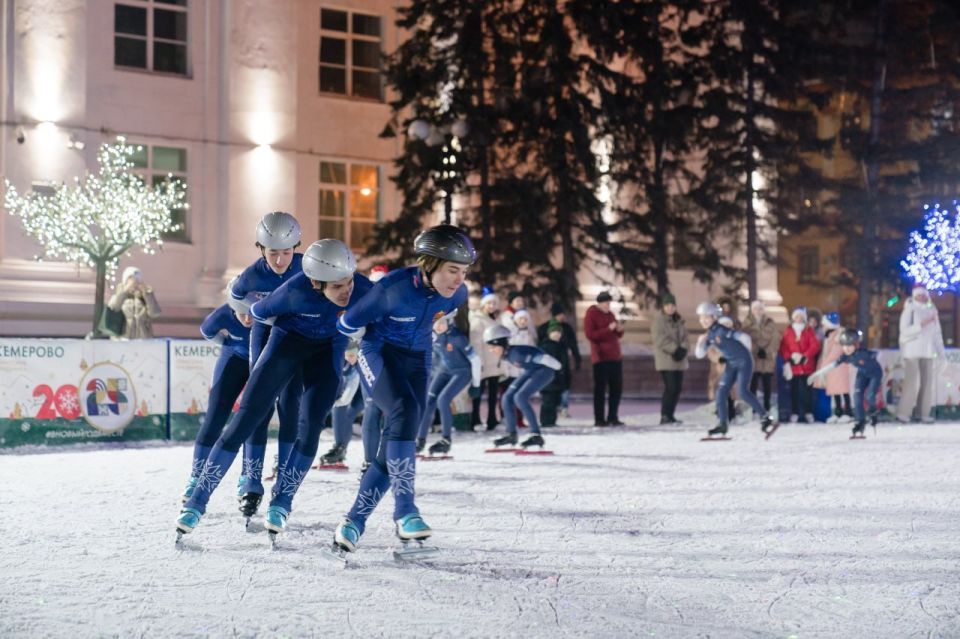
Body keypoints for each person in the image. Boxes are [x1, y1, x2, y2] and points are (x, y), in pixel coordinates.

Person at [175, 239, 371, 539]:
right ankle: (197, 501)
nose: (347, 291)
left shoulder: (362, 288)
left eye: (349, 282)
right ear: (316, 283)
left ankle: (282, 500)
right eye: (337, 286)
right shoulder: (293, 291)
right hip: (287, 343)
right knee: (247, 417)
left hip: (328, 350)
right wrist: (259, 358)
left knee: (311, 425)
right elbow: (257, 313)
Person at [331, 224, 475, 556]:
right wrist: (353, 343)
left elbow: (443, 312)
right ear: (430, 264)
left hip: (419, 359)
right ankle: (405, 511)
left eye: (464, 271)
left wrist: (431, 327)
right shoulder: (391, 289)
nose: (459, 279)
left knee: (398, 439)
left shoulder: (458, 293)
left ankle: (353, 522)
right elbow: (346, 323)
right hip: (379, 353)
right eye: (452, 270)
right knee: (404, 410)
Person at [228, 211, 304, 515]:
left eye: (287, 252)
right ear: (261, 249)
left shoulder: (308, 267)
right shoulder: (251, 275)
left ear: (296, 248)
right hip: (264, 335)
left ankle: (284, 480)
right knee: (257, 407)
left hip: (297, 338)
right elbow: (235, 295)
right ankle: (251, 480)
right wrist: (240, 310)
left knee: (291, 406)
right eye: (273, 253)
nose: (280, 260)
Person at [179, 296, 252, 502]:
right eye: (242, 314)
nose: (247, 319)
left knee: (251, 421)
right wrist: (227, 342)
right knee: (214, 418)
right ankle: (196, 477)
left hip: (260, 363)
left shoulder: (266, 310)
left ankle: (248, 477)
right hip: (233, 359)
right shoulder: (223, 313)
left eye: (251, 314)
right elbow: (206, 331)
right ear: (233, 309)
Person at [694, 302, 775, 437]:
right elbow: (699, 354)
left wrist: (745, 353)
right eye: (701, 318)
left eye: (706, 317)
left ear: (714, 317)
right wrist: (699, 342)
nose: (703, 320)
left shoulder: (722, 330)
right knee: (721, 393)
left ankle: (766, 417)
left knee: (742, 392)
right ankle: (723, 425)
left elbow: (744, 337)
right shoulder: (710, 334)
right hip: (731, 364)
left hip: (744, 362)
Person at [485, 324, 561, 448]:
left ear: (502, 344)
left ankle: (536, 435)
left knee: (520, 397)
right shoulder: (507, 354)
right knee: (506, 398)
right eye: (489, 347)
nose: (491, 350)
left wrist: (552, 363)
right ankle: (511, 434)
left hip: (544, 371)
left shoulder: (516, 354)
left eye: (493, 347)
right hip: (531, 370)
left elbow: (547, 360)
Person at [417, 313, 481, 455]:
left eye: (442, 323)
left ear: (449, 322)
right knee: (429, 401)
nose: (439, 326)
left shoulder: (458, 338)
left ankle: (446, 440)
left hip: (462, 372)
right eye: (436, 323)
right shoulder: (433, 336)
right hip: (444, 371)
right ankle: (420, 440)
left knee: (443, 400)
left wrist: (476, 384)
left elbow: (476, 361)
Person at [809, 328, 883, 437]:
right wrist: (816, 374)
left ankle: (873, 413)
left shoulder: (863, 353)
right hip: (862, 374)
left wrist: (873, 357)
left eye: (849, 346)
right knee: (857, 396)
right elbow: (832, 365)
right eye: (844, 346)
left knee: (870, 396)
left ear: (855, 345)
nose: (847, 349)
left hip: (875, 374)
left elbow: (876, 354)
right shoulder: (845, 357)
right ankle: (860, 422)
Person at [896, 284, 945, 423]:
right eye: (918, 295)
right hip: (912, 351)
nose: (921, 297)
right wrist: (921, 325)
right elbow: (904, 330)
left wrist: (941, 353)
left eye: (923, 295)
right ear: (914, 296)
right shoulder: (910, 309)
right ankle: (903, 413)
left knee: (927, 383)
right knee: (911, 383)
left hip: (928, 351)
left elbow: (937, 334)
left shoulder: (932, 310)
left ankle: (923, 413)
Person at [319, 341, 364, 467]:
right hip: (353, 388)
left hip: (365, 392)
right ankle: (339, 448)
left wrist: (338, 401)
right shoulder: (342, 361)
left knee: (348, 413)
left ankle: (340, 449)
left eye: (352, 356)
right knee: (338, 410)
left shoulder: (360, 363)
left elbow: (348, 395)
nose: (349, 359)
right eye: (347, 356)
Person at [584, 290, 625, 426]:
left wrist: (619, 330)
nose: (608, 305)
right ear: (600, 303)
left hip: (615, 357)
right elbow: (590, 335)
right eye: (606, 303)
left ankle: (613, 416)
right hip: (601, 357)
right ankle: (599, 419)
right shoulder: (591, 314)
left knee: (616, 388)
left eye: (609, 303)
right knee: (600, 390)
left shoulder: (611, 315)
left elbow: (617, 334)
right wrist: (608, 329)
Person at [537, 302, 582, 418]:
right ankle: (552, 409)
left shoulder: (567, 328)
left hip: (563, 361)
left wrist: (577, 359)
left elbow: (573, 345)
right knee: (550, 386)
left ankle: (563, 407)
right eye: (560, 314)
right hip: (549, 363)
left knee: (565, 384)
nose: (563, 316)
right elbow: (539, 347)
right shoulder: (543, 328)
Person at [469, 291, 506, 430]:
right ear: (483, 304)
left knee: (493, 393)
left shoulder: (496, 319)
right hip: (483, 362)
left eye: (494, 303)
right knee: (478, 393)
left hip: (495, 362)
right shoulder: (478, 320)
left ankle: (492, 419)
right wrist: (479, 362)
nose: (492, 306)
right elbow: (476, 343)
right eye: (489, 303)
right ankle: (475, 419)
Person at [651, 293, 688, 425]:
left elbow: (685, 337)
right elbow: (659, 339)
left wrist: (683, 349)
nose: (670, 308)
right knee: (670, 387)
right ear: (663, 306)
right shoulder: (658, 321)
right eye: (667, 305)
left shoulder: (679, 320)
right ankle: (665, 415)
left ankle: (671, 415)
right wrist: (674, 349)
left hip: (679, 359)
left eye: (672, 305)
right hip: (666, 359)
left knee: (677, 388)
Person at [779, 307, 821, 423]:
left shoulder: (808, 330)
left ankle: (808, 412)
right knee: (794, 390)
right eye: (797, 316)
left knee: (807, 391)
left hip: (806, 365)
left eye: (801, 317)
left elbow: (814, 345)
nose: (799, 319)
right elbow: (784, 347)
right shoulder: (788, 331)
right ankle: (795, 412)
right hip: (793, 366)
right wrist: (789, 357)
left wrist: (805, 356)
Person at [741, 300, 781, 414]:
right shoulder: (746, 323)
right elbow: (745, 339)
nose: (758, 311)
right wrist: (756, 350)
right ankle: (754, 410)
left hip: (767, 360)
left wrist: (767, 351)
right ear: (752, 310)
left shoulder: (770, 322)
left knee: (767, 385)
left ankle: (767, 408)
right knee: (753, 386)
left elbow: (775, 338)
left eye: (760, 308)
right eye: (755, 308)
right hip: (753, 359)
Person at [814, 312, 853, 423]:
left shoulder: (839, 335)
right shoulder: (829, 335)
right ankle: (838, 412)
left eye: (824, 324)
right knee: (835, 390)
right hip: (832, 368)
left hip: (839, 366)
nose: (823, 327)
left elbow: (835, 352)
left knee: (843, 390)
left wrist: (824, 364)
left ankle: (848, 412)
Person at [107, 267, 161, 339]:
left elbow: (155, 313)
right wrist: (125, 291)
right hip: (122, 340)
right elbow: (113, 309)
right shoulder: (118, 296)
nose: (134, 281)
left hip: (143, 340)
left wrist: (146, 293)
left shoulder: (145, 297)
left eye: (137, 278)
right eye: (130, 278)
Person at [538, 320, 570, 427]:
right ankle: (545, 421)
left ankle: (551, 421)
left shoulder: (561, 346)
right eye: (554, 332)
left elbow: (565, 364)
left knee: (555, 401)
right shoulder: (545, 346)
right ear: (549, 333)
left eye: (558, 332)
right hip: (548, 379)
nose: (557, 334)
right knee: (548, 401)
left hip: (559, 379)